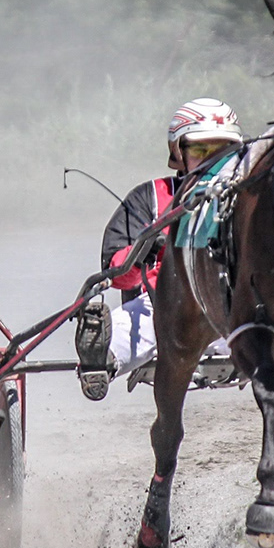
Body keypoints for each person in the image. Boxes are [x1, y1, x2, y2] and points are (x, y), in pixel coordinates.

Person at [74, 98, 243, 399]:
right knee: (135, 323)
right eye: (201, 150)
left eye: (223, 152)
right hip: (163, 305)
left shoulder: (249, 197)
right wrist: (145, 247)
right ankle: (100, 359)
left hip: (234, 306)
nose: (212, 161)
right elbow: (116, 274)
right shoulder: (149, 197)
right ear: (178, 153)